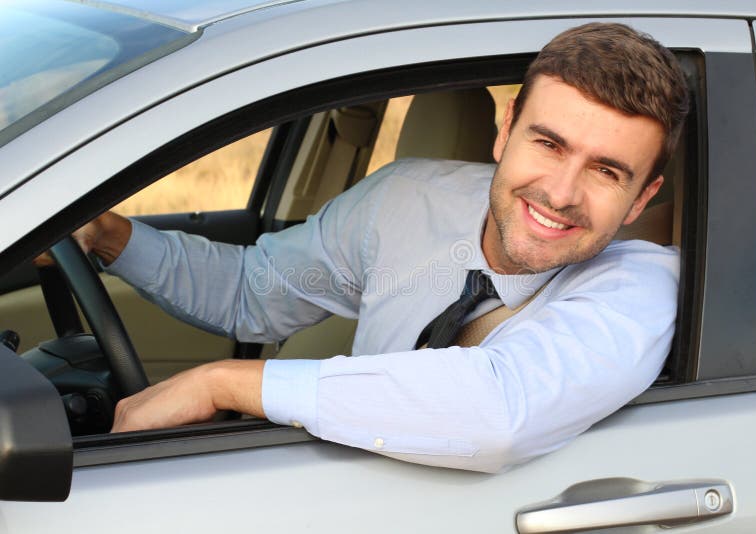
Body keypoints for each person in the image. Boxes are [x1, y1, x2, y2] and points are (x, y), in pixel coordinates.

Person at [61, 22, 689, 473]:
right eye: (547, 144)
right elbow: (254, 292)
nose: (559, 192)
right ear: (505, 132)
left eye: (606, 172)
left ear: (641, 198)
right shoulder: (404, 199)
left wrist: (224, 382)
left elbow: (497, 411)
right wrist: (106, 236)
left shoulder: (643, 285)